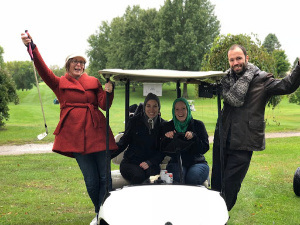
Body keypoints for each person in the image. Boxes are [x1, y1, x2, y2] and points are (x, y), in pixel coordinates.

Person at [21, 32, 118, 225]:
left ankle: (102, 214)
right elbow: (42, 69)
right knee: (91, 181)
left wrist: (109, 91)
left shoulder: (93, 82)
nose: (78, 65)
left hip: (98, 134)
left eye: (81, 62)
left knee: (105, 178)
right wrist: (32, 47)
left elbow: (104, 105)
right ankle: (99, 210)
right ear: (68, 65)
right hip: (76, 139)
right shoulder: (59, 83)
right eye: (74, 62)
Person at [211, 44, 300, 211]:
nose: (235, 62)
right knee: (216, 183)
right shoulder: (226, 79)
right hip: (222, 140)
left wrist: (299, 67)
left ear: (246, 58)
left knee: (230, 186)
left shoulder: (261, 80)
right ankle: (214, 216)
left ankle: (219, 216)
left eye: (238, 58)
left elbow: (287, 86)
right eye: (232, 60)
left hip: (243, 143)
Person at [111, 93, 165, 184]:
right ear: (144, 107)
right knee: (138, 176)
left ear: (159, 108)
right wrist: (107, 154)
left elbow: (163, 150)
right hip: (131, 162)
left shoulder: (163, 125)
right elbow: (123, 142)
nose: (151, 109)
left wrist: (150, 162)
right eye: (148, 106)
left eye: (155, 106)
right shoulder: (134, 122)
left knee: (153, 177)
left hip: (151, 164)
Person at [161, 98, 210, 185]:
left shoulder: (198, 125)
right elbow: (162, 149)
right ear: (174, 111)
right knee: (178, 176)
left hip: (197, 162)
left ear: (188, 109)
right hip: (176, 161)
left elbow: (204, 148)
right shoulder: (168, 126)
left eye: (183, 108)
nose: (180, 112)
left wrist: (194, 137)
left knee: (192, 178)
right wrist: (167, 138)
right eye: (177, 109)